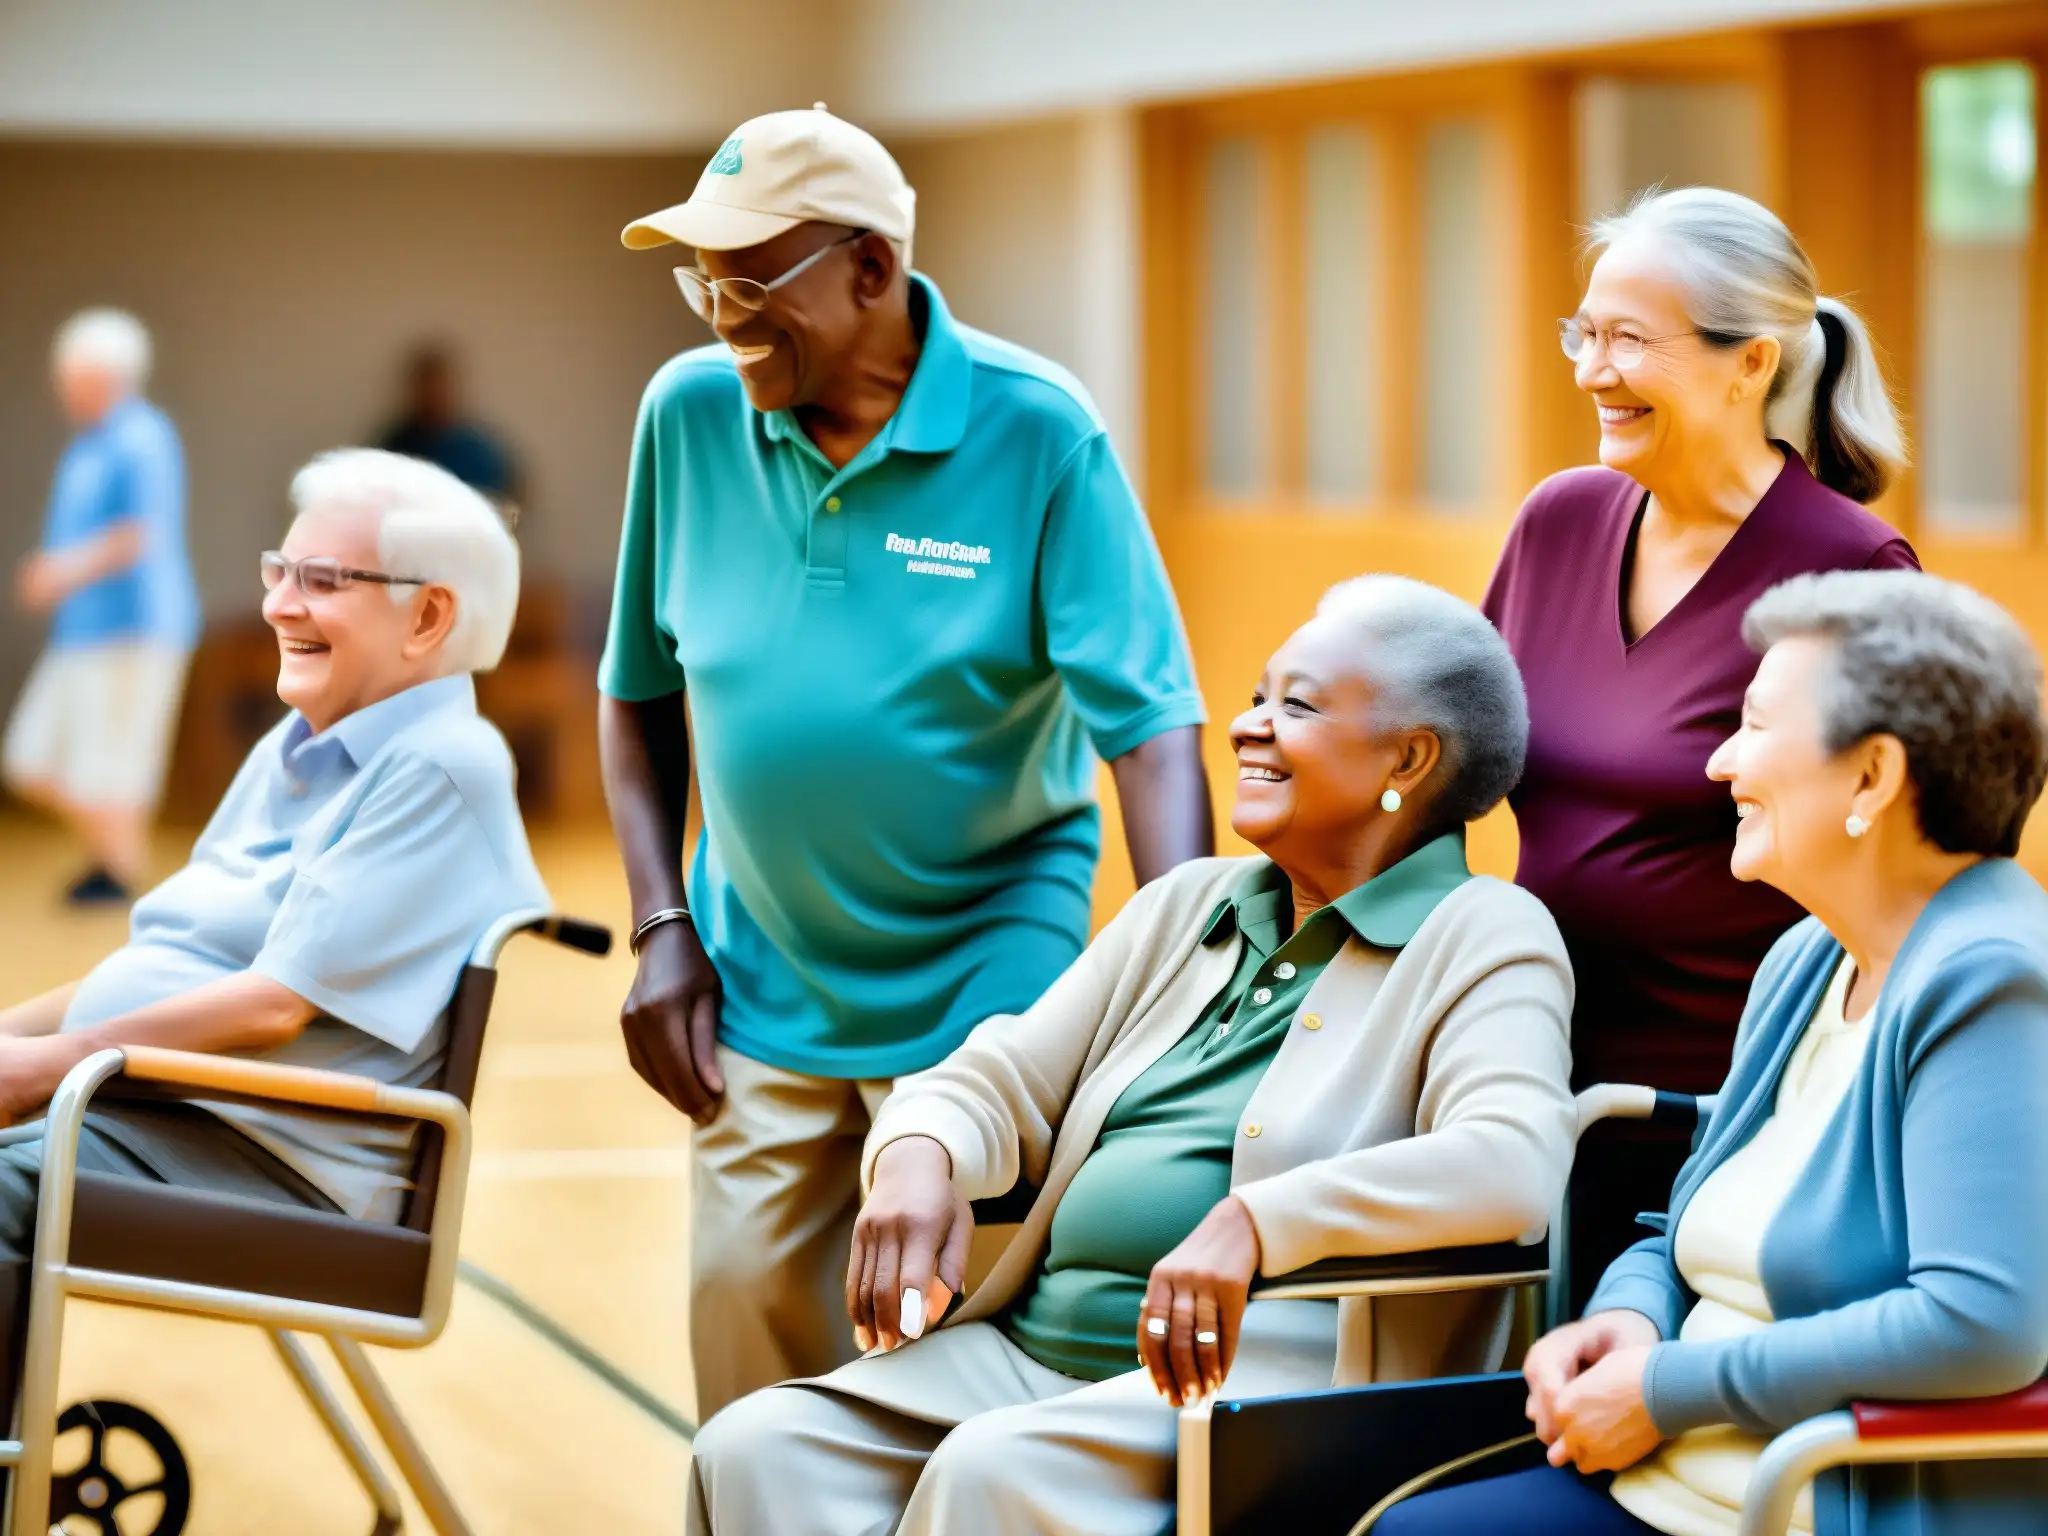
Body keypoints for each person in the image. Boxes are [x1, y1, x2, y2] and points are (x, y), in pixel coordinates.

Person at [685, 575, 1579, 1536]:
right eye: (1257, 696)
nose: (1249, 727)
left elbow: (1513, 1160)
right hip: (1029, 1353)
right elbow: (1004, 1076)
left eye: (1299, 704)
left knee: (989, 1470)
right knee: (753, 1446)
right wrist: (919, 1152)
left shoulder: (1485, 933)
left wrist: (1256, 1222)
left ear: (1409, 755)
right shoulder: (1188, 905)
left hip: (1248, 1383)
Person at [600, 106, 1214, 1418]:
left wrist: (1187, 986)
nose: (720, 314)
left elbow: (1151, 732)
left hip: (986, 959)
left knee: (949, 1348)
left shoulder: (1039, 432)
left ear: (871, 270)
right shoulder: (689, 415)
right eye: (701, 281)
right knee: (744, 1327)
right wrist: (662, 927)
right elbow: (637, 694)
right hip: (757, 959)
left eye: (751, 280)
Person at [1378, 570, 2048, 1536]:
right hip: (1665, 1482)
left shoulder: (1992, 984)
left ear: (1873, 777)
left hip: (1807, 1505)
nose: (1719, 764)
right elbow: (1679, 1221)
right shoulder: (1808, 957)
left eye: (1758, 727)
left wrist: (1670, 1387)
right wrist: (1634, 1316)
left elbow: (1980, 1324)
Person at [0, 448, 546, 1429]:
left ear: (427, 616)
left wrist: (43, 1069)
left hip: (276, 1159)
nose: (279, 606)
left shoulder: (440, 765)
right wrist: (13, 1035)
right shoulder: (299, 742)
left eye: (322, 581)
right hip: (181, 1114)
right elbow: (164, 956)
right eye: (277, 571)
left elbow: (272, 1004)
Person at [1482, 187, 1921, 1309]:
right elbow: (1455, 758)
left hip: (1716, 1114)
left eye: (1628, 339)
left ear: (1747, 363)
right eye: (1582, 333)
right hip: (1517, 1088)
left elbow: (1912, 871)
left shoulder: (1851, 573)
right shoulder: (1558, 521)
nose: (1589, 367)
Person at [4, 309, 201, 906]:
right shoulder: (88, 444)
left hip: (135, 624)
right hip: (84, 627)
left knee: (113, 758)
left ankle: (117, 871)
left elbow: (142, 533)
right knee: (33, 758)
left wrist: (62, 569)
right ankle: (115, 862)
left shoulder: (142, 437)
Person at [378, 344, 517, 502]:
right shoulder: (393, 446)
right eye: (427, 386)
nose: (433, 395)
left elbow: (510, 496)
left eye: (440, 386)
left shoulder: (478, 452)